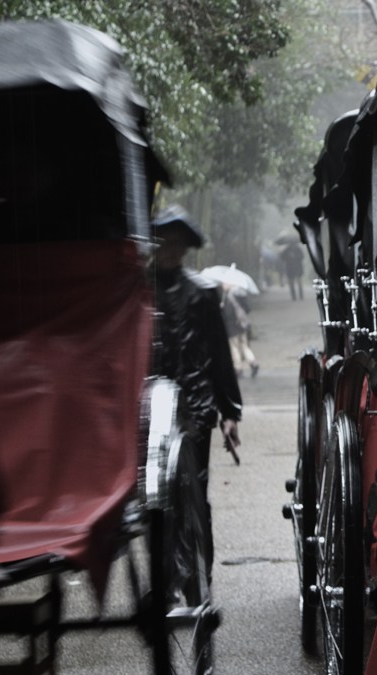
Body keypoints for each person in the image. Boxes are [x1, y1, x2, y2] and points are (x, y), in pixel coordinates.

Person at [148, 203, 242, 590]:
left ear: (186, 248)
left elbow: (220, 355)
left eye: (177, 244)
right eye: (163, 242)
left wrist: (230, 411)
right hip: (151, 406)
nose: (170, 250)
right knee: (158, 499)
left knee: (195, 493)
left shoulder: (202, 293)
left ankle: (198, 576)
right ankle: (167, 576)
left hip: (196, 406)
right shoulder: (138, 290)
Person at [222, 284, 259, 379]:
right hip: (242, 325)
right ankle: (253, 363)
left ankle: (238, 369)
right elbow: (247, 309)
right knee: (245, 346)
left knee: (234, 348)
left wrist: (222, 308)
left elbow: (228, 314)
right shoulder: (239, 294)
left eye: (224, 283)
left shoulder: (229, 296)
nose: (223, 285)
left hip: (232, 327)